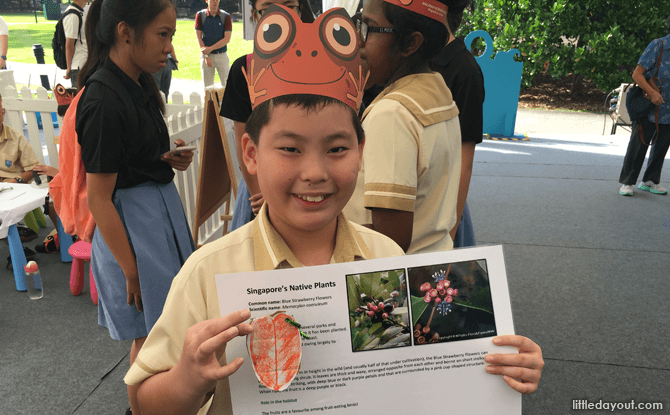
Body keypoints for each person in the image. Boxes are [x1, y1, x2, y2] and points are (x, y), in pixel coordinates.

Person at [125, 7, 543, 413]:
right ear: (250, 154)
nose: (315, 172)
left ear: (361, 152)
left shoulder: (386, 260)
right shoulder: (208, 273)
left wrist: (497, 366)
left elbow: (425, 382)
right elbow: (142, 401)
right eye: (289, 149)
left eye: (337, 149)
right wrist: (187, 378)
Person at [74, 1, 196, 414]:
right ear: (126, 32)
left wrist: (166, 156)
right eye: (163, 35)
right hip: (134, 233)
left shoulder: (139, 84)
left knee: (169, 329)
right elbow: (98, 198)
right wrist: (133, 270)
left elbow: (131, 159)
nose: (170, 48)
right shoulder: (103, 101)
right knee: (151, 339)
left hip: (156, 218)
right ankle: (140, 409)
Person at [343, 0, 461, 254]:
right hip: (429, 266)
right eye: (358, 23)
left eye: (368, 28)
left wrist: (313, 228)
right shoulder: (438, 92)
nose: (357, 39)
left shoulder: (392, 114)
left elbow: (391, 240)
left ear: (410, 43)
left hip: (392, 282)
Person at [219, 0, 314, 231]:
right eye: (269, 6)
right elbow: (244, 145)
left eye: (289, 5)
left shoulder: (320, 68)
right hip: (261, 188)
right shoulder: (245, 70)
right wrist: (261, 196)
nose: (281, 14)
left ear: (301, 10)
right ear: (254, 14)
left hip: (312, 184)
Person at [430, 0, 483, 247]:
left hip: (443, 204)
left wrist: (450, 235)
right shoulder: (412, 58)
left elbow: (464, 161)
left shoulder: (465, 71)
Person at [618, 17, 670, 196]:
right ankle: (627, 182)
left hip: (668, 109)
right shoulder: (659, 45)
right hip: (650, 105)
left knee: (662, 145)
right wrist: (653, 93)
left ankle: (650, 180)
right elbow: (637, 74)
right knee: (639, 143)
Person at [195, 0, 232, 88]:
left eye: (217, 0)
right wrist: (206, 56)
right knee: (208, 88)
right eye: (212, 0)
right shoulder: (200, 15)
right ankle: (208, 102)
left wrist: (210, 48)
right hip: (207, 56)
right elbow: (198, 37)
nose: (215, 2)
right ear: (207, 1)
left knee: (227, 86)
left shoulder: (226, 16)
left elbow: (227, 39)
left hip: (221, 55)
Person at [63, 0, 88, 87]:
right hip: (78, 67)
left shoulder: (81, 11)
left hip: (84, 65)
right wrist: (69, 68)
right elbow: (69, 44)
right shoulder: (73, 15)